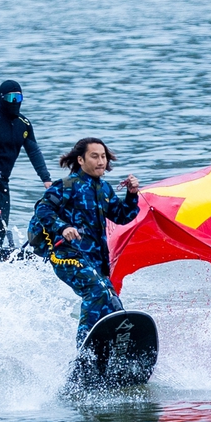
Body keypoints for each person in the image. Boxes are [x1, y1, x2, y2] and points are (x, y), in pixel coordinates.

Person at [32, 138, 140, 347]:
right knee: (97, 292)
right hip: (66, 255)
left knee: (113, 303)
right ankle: (84, 352)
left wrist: (131, 195)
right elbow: (42, 209)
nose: (101, 161)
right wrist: (63, 228)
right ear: (80, 160)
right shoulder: (66, 186)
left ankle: (112, 354)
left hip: (95, 261)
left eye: (103, 156)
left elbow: (122, 216)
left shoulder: (105, 189)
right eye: (94, 156)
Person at [0, 80, 53, 260]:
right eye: (10, 97)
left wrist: (46, 180)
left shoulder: (24, 123)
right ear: (1, 98)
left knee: (1, 223)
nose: (14, 102)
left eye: (18, 97)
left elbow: (34, 152)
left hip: (2, 180)